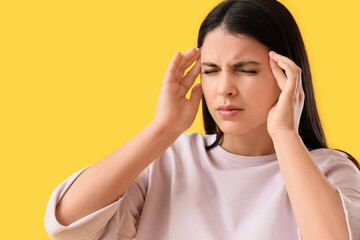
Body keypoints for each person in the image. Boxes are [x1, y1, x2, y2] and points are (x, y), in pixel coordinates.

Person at [44, 0, 360, 239]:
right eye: (210, 71)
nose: (224, 89)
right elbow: (67, 222)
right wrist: (162, 130)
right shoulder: (169, 160)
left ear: (286, 74)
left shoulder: (329, 170)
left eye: (246, 70)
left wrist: (284, 132)